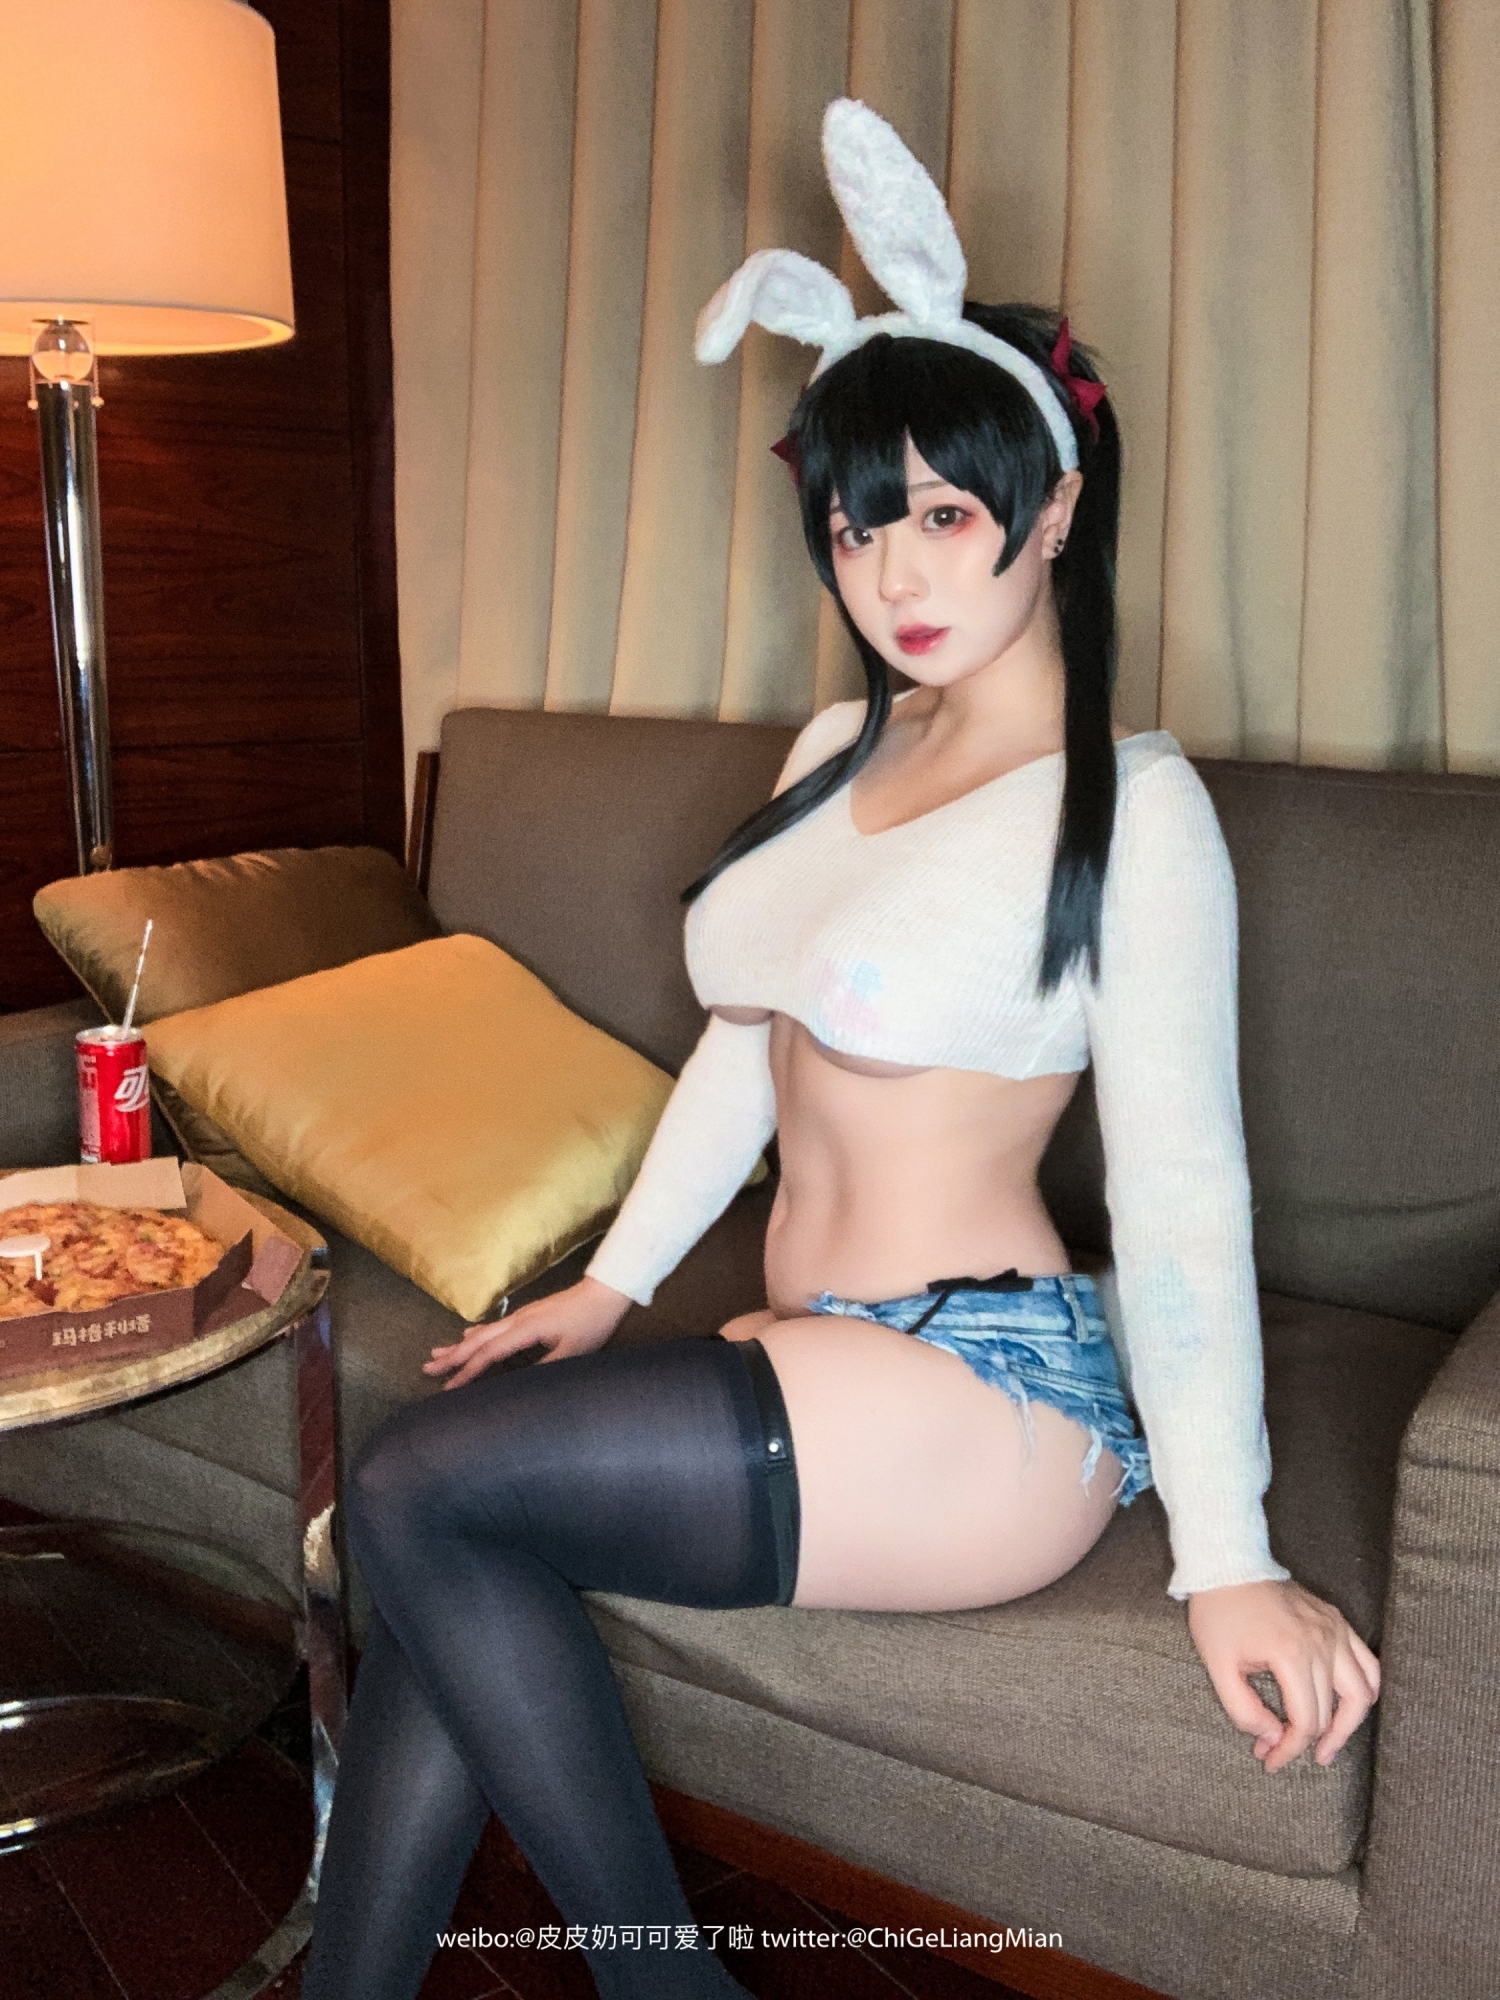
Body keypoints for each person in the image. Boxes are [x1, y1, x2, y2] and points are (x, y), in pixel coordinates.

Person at [299, 99, 1379, 2000]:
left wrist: (1228, 1553)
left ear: (1054, 508)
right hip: (815, 1357)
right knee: (445, 1519)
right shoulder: (829, 755)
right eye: (859, 525)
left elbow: (1183, 1190)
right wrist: (613, 1285)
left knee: (416, 1487)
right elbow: (751, 1048)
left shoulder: (1133, 812)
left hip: (981, 1393)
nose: (898, 577)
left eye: (947, 515)